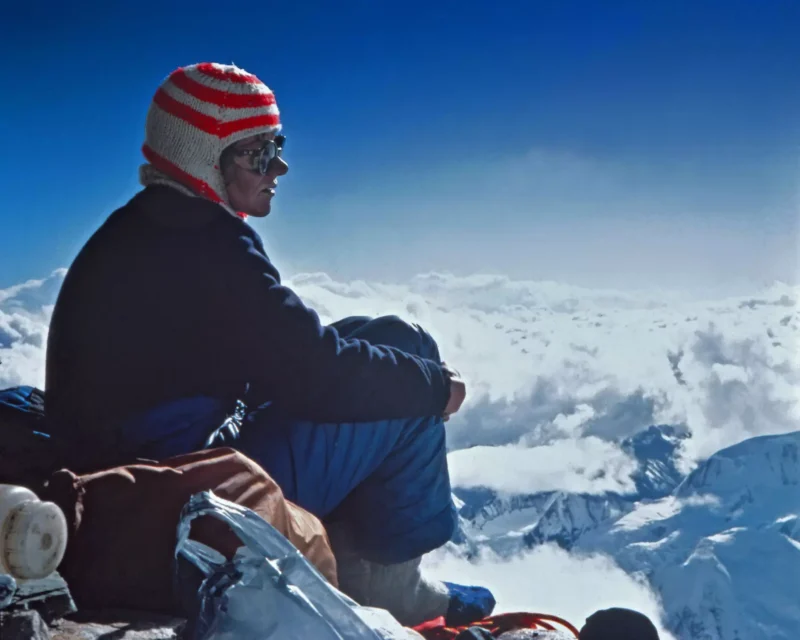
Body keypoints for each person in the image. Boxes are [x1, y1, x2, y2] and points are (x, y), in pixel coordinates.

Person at [44, 62, 494, 627]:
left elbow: (282, 350)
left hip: (152, 461)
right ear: (203, 158)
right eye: (258, 153)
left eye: (276, 147)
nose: (278, 167)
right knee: (411, 386)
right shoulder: (207, 241)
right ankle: (386, 583)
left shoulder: (140, 231)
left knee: (399, 343)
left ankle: (353, 553)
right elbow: (317, 376)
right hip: (192, 486)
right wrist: (434, 390)